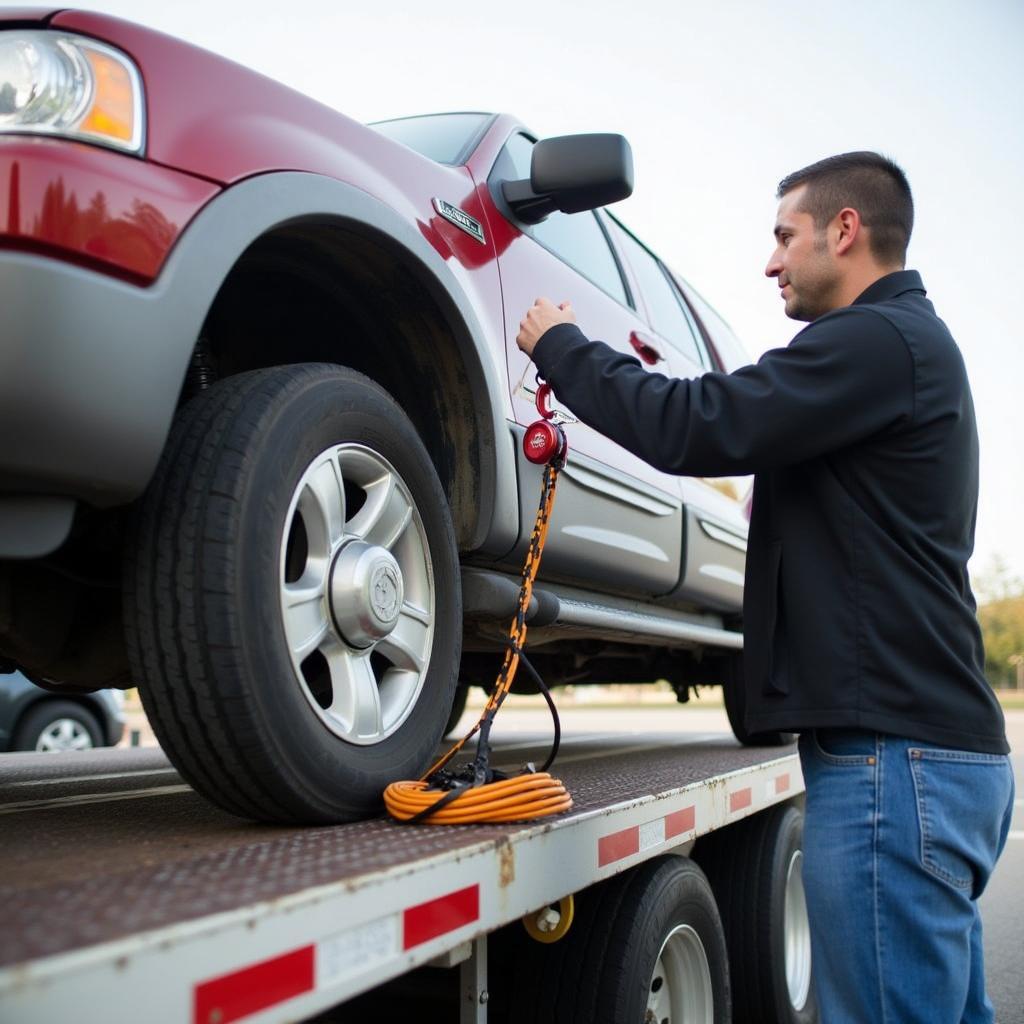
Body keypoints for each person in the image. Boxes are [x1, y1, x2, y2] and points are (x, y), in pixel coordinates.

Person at [515, 152, 1014, 1024]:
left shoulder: (875, 341)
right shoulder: (908, 348)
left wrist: (562, 346)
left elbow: (696, 423)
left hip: (893, 763)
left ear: (845, 231)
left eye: (785, 236)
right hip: (921, 754)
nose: (771, 261)